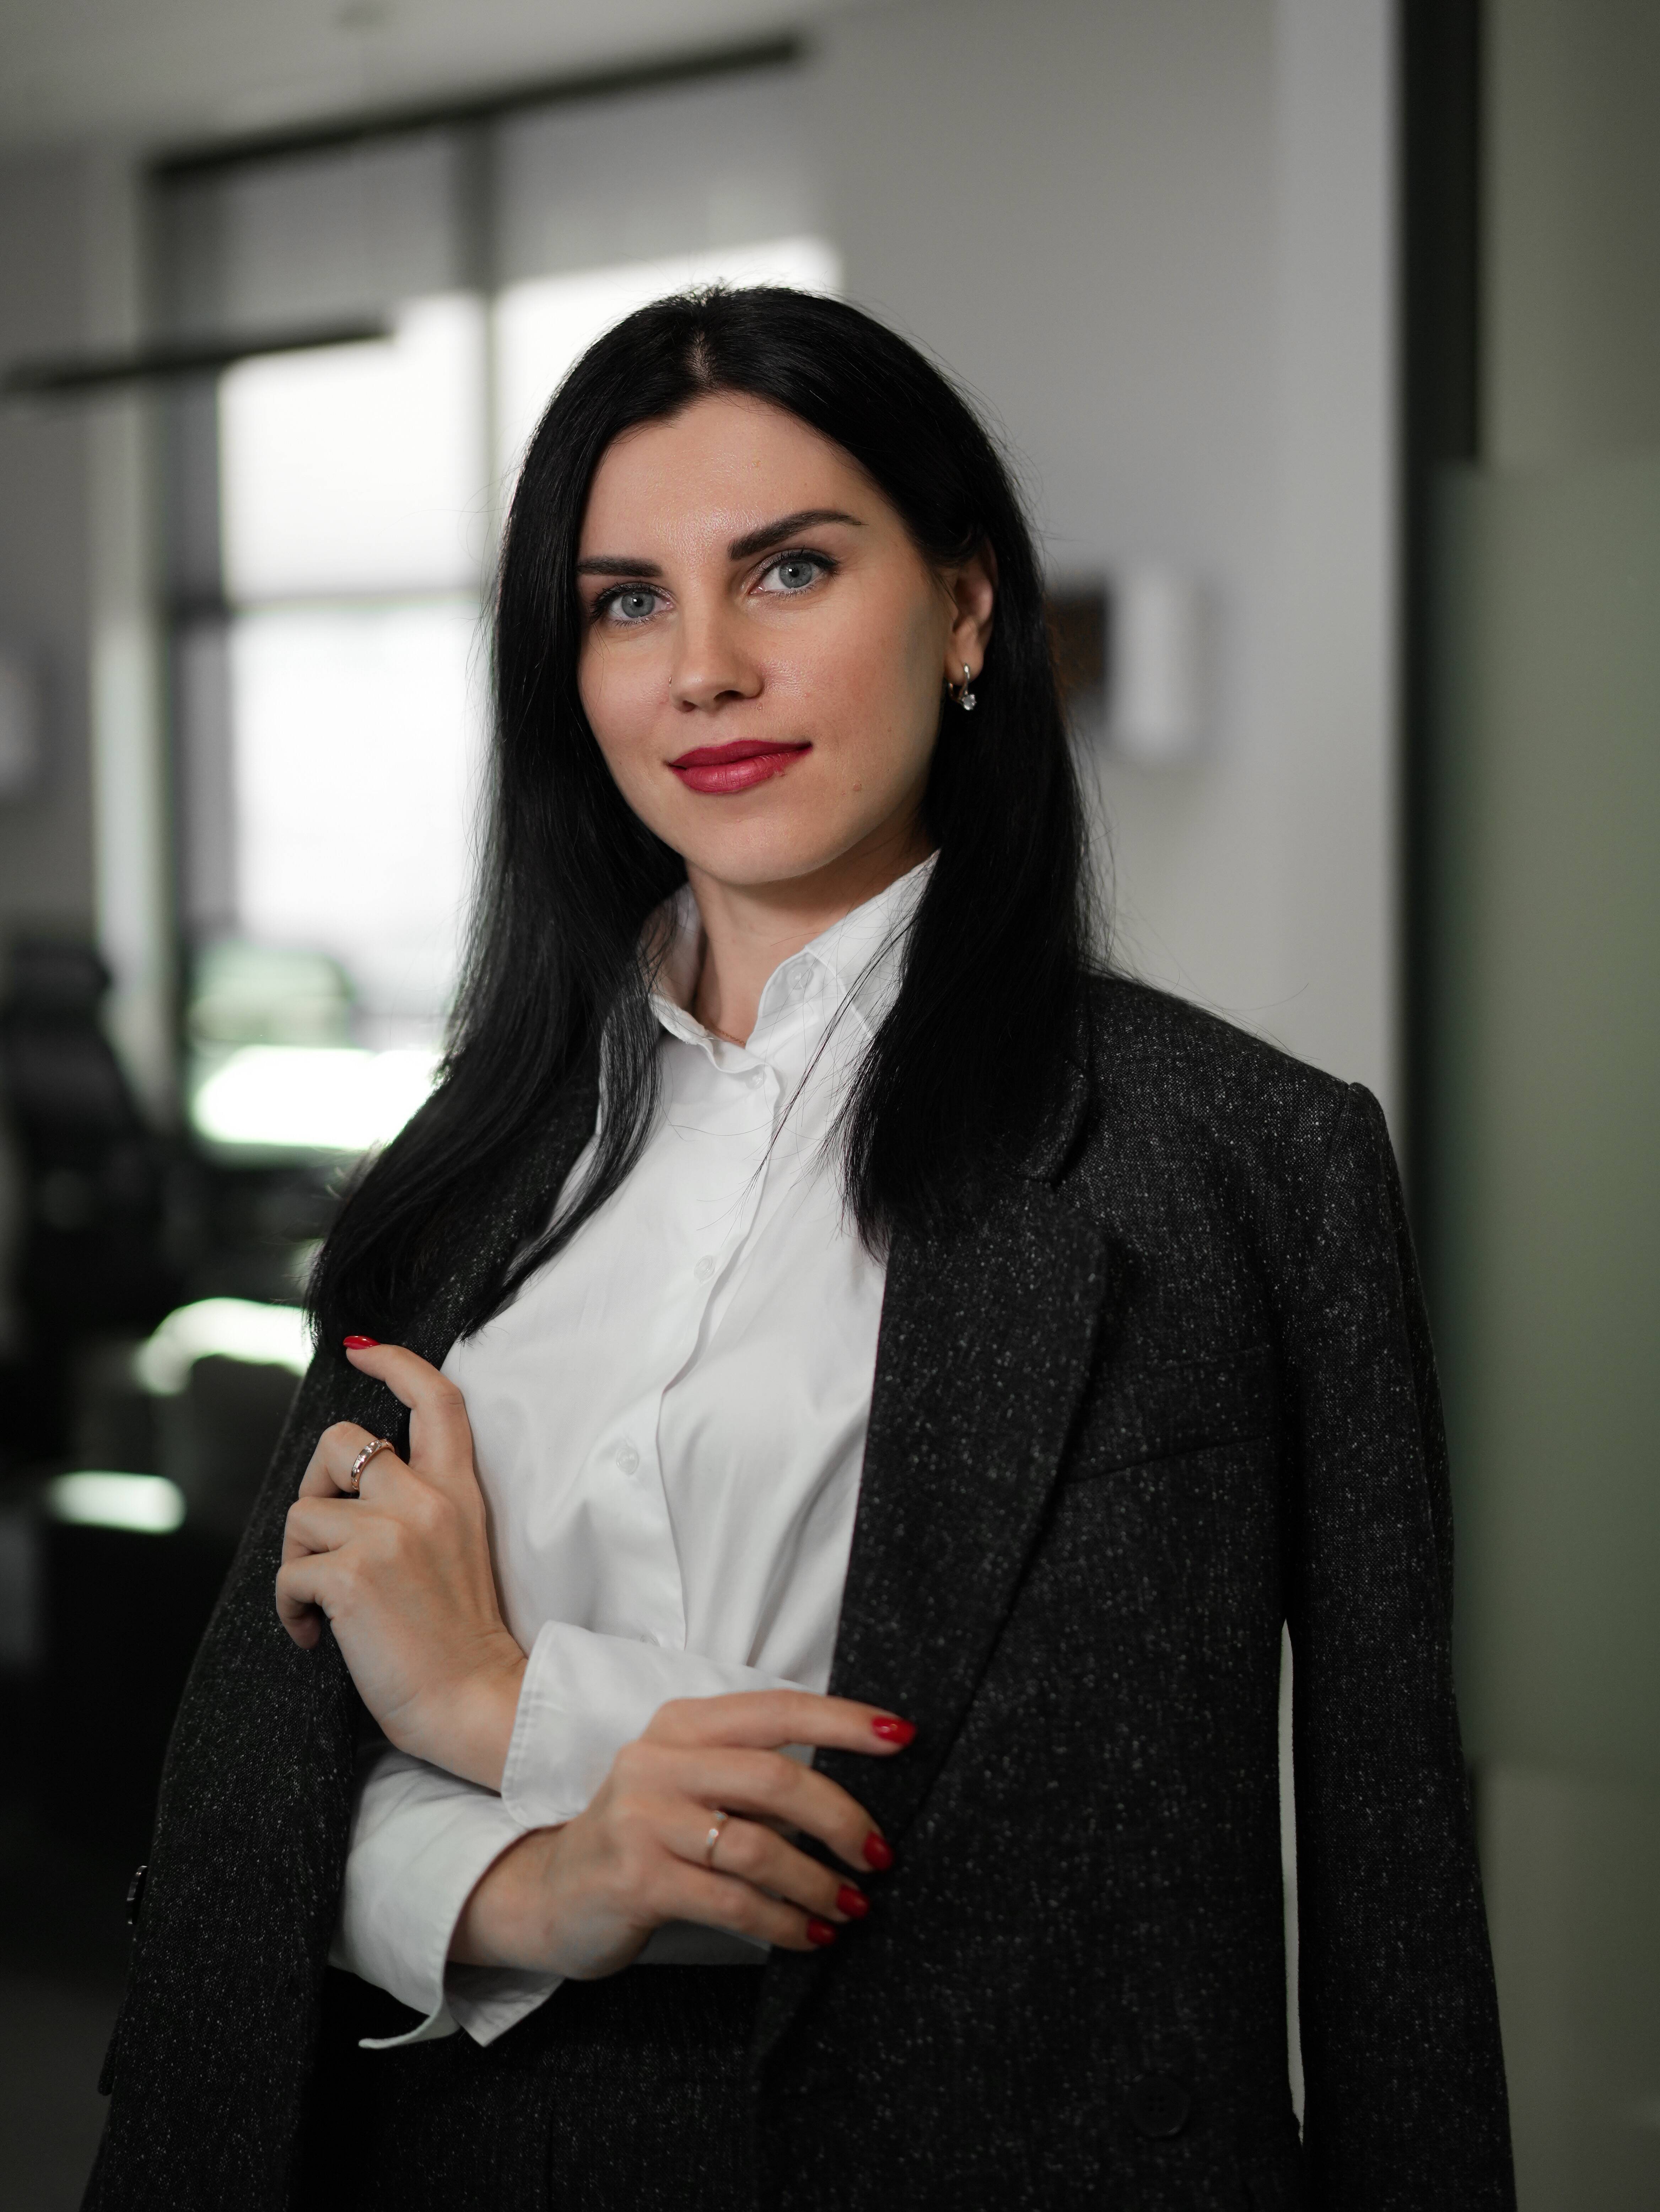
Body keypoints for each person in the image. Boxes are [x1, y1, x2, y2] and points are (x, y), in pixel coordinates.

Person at [84, 287, 1513, 2212]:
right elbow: (257, 1810)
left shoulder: (1241, 1164)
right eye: (626, 602)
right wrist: (535, 1884)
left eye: (788, 571)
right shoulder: (456, 1178)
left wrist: (506, 1709)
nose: (704, 670)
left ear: (968, 606)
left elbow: (1291, 1878)